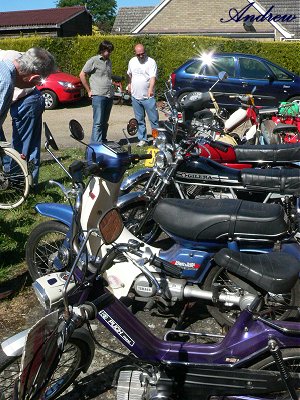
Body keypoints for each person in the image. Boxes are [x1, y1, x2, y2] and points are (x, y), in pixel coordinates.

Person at [0, 49, 47, 188]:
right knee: (27, 147)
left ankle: (20, 184)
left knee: (23, 148)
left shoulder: (9, 67)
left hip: (27, 101)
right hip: (30, 99)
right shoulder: (11, 57)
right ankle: (22, 182)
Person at [0, 47, 56, 144]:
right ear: (34, 77)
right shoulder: (5, 82)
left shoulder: (3, 68)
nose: (38, 86)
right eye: (39, 82)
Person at [79, 40, 114, 143]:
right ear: (102, 50)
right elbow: (82, 75)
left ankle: (103, 140)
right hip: (98, 95)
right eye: (107, 51)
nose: (109, 53)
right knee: (98, 122)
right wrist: (88, 90)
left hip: (109, 95)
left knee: (105, 122)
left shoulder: (109, 61)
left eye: (110, 51)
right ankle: (95, 145)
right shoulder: (93, 60)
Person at [127, 43, 159, 147]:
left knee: (154, 120)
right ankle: (143, 139)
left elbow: (153, 77)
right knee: (140, 120)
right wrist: (129, 84)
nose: (141, 56)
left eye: (143, 54)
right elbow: (129, 74)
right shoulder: (132, 61)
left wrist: (150, 89)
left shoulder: (151, 62)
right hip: (135, 96)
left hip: (148, 97)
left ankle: (155, 138)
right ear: (135, 53)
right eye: (138, 54)